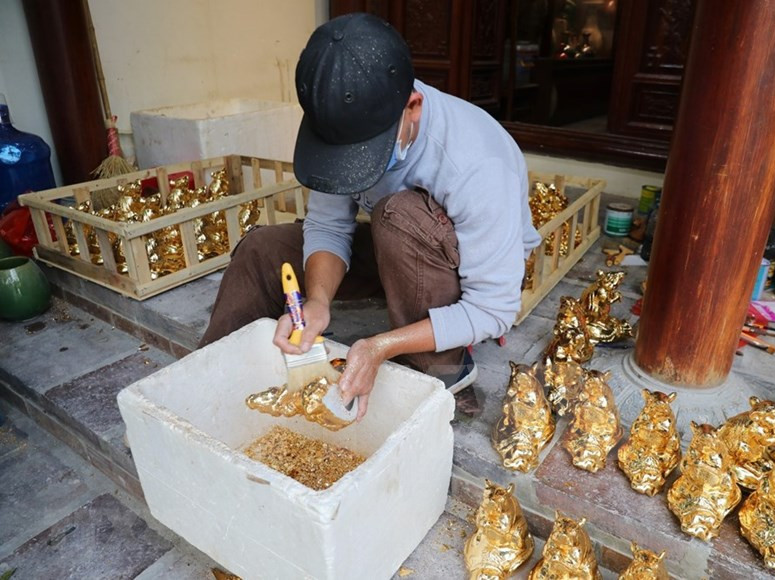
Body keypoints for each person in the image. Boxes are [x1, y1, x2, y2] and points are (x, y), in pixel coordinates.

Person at [199, 13, 540, 419]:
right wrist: (317, 300)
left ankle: (443, 366)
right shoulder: (341, 118)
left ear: (413, 107)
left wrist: (380, 345)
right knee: (262, 249)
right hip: (391, 252)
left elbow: (494, 308)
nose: (354, 165)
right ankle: (205, 385)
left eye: (366, 154)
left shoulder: (477, 162)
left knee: (397, 214)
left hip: (458, 272)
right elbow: (328, 224)